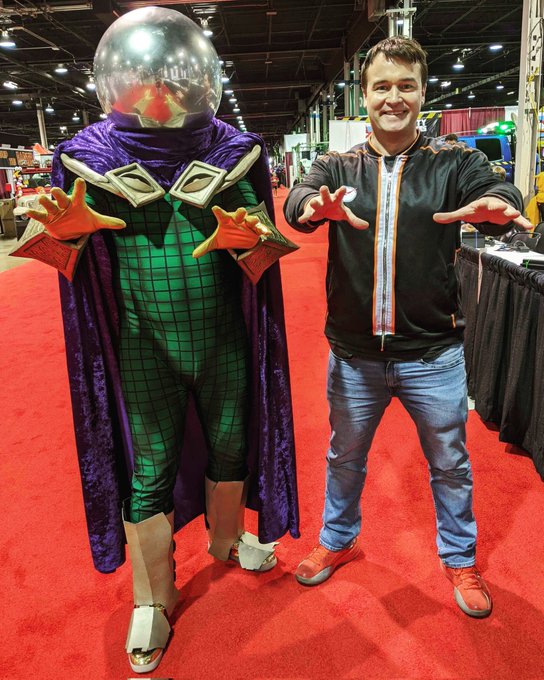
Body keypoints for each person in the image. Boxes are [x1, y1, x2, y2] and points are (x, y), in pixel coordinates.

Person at [26, 7, 299, 674]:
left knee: (232, 446)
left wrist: (255, 240)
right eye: (146, 79)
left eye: (173, 79)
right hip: (142, 344)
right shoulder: (88, 158)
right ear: (120, 79)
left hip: (225, 340)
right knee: (147, 471)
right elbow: (66, 266)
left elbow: (264, 260)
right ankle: (152, 596)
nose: (160, 93)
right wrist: (62, 238)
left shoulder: (236, 153)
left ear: (197, 78)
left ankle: (228, 539)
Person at [284, 35, 532, 619]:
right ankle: (337, 539)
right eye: (381, 87)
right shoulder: (338, 165)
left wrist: (498, 203)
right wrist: (309, 208)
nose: (393, 98)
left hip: (434, 354)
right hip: (354, 354)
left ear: (422, 93)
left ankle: (460, 557)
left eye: (406, 86)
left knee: (450, 464)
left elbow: (496, 188)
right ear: (364, 96)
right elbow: (299, 200)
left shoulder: (454, 161)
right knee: (344, 457)